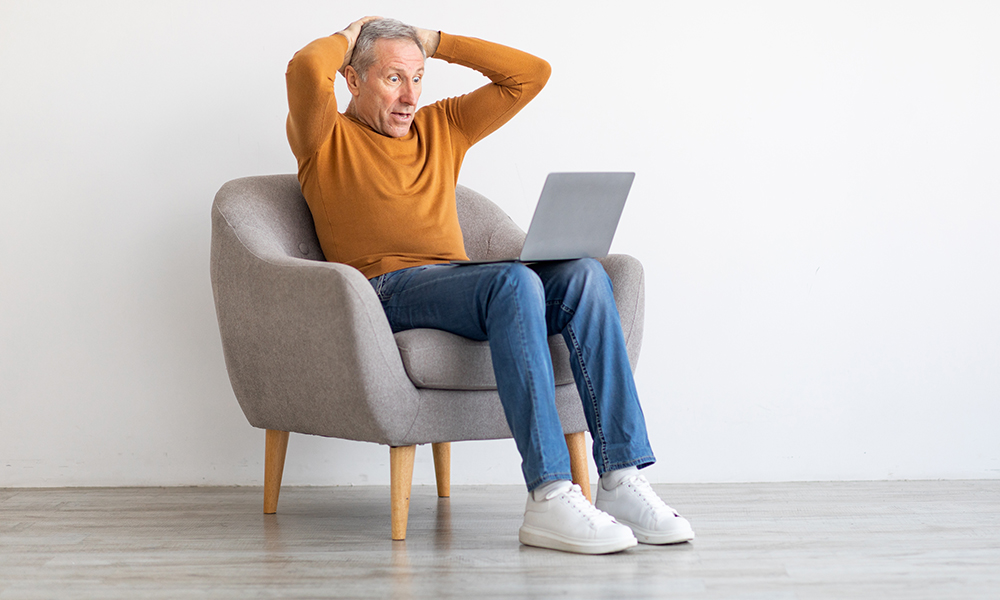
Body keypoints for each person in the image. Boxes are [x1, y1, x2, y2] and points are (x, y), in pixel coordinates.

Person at [285, 16, 695, 554]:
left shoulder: (442, 126)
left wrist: (435, 42)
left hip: (458, 282)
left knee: (584, 274)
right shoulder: (323, 136)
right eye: (392, 79)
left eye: (418, 77)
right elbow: (303, 67)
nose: (410, 96)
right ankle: (549, 493)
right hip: (386, 289)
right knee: (513, 282)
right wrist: (350, 33)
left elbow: (530, 75)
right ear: (353, 80)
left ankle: (620, 478)